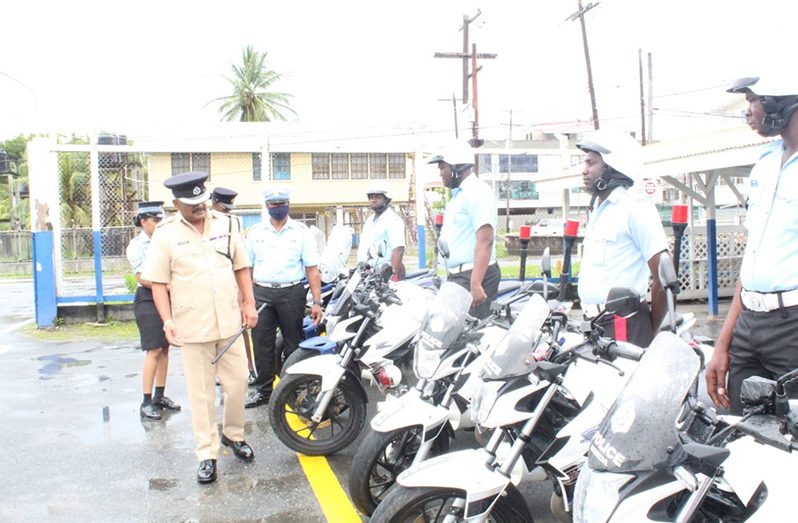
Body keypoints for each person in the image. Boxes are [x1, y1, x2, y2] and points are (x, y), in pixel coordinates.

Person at [142, 171, 258, 484]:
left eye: (202, 201)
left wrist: (249, 303)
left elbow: (241, 267)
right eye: (192, 203)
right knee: (202, 393)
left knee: (237, 386)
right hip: (192, 325)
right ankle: (206, 454)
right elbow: (158, 283)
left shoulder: (229, 225)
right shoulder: (165, 234)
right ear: (176, 203)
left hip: (229, 321)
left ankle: (233, 435)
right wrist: (167, 320)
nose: (200, 207)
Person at [706, 75, 798, 414]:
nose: (747, 111)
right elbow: (753, 261)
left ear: (781, 102)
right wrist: (724, 343)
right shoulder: (766, 162)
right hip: (749, 325)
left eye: (752, 101)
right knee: (737, 432)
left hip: (794, 327)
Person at [576, 129, 669, 348]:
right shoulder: (599, 209)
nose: (584, 170)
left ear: (611, 166)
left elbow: (663, 276)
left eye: (591, 163)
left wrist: (650, 327)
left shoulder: (635, 209)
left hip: (622, 324)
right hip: (591, 323)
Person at [245, 187, 323, 408]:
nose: (278, 208)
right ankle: (264, 391)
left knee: (293, 343)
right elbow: (246, 270)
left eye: (282, 204)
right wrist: (246, 301)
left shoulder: (301, 232)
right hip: (262, 293)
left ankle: (296, 391)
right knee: (261, 344)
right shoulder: (256, 233)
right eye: (274, 205)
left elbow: (312, 269)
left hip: (292, 292)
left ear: (288, 205)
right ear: (267, 207)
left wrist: (317, 302)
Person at [429, 143, 500, 319]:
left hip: (475, 276)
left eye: (443, 167)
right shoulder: (458, 195)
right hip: (459, 277)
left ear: (456, 168)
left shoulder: (477, 192)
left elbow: (485, 240)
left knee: (472, 337)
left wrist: (476, 284)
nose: (440, 173)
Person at [126, 201, 181, 420]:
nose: (159, 224)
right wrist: (170, 286)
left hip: (168, 295)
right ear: (143, 221)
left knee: (165, 348)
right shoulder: (136, 246)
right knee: (154, 350)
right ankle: (146, 401)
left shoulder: (166, 242)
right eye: (155, 220)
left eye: (161, 220)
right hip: (148, 299)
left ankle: (160, 396)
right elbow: (143, 278)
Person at [356, 181, 406, 280]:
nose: (373, 200)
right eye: (371, 197)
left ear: (387, 199)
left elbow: (398, 249)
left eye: (377, 197)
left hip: (384, 275)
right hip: (368, 274)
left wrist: (393, 276)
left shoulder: (393, 220)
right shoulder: (370, 221)